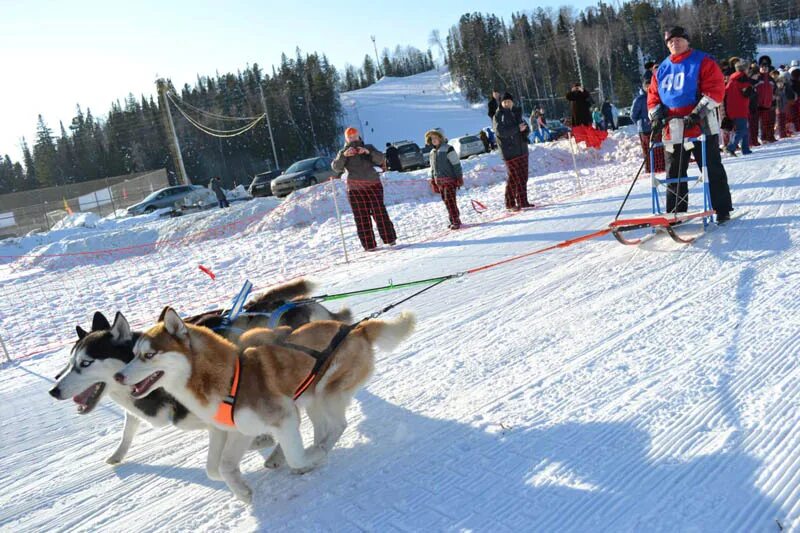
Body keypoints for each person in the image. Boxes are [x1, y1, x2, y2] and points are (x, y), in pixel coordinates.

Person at [648, 26, 733, 223]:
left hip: (701, 126)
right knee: (674, 173)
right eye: (670, 41)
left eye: (678, 39)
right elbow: (653, 97)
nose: (674, 43)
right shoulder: (661, 69)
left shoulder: (703, 61)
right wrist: (656, 115)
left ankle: (722, 209)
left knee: (711, 168)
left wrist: (697, 113)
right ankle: (675, 213)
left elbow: (715, 90)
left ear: (687, 41)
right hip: (673, 128)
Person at [331, 127, 397, 251]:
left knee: (379, 212)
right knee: (361, 216)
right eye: (350, 137)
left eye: (355, 136)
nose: (353, 139)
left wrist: (367, 152)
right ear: (346, 139)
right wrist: (344, 156)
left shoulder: (369, 147)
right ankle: (369, 244)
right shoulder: (343, 152)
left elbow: (380, 159)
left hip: (373, 184)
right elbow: (336, 167)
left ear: (358, 136)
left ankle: (390, 239)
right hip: (355, 189)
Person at [492, 92, 532, 211]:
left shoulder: (517, 112)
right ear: (501, 103)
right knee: (513, 177)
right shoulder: (498, 115)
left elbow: (525, 127)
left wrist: (525, 130)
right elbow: (501, 132)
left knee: (523, 176)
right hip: (509, 151)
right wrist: (517, 129)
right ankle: (510, 204)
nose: (507, 103)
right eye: (505, 102)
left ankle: (523, 201)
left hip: (522, 149)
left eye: (509, 101)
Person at [426, 129, 463, 229]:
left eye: (436, 138)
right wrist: (432, 180)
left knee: (450, 200)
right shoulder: (432, 152)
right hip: (440, 182)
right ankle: (453, 219)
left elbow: (456, 164)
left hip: (450, 180)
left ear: (441, 138)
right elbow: (432, 167)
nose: (434, 140)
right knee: (447, 201)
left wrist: (459, 177)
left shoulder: (448, 149)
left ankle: (456, 221)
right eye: (432, 138)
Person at [631, 76, 665, 172]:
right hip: (645, 129)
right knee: (648, 150)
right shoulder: (639, 99)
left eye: (651, 85)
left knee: (658, 148)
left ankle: (660, 167)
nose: (649, 87)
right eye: (647, 86)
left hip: (657, 127)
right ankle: (650, 169)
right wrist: (641, 123)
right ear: (644, 87)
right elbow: (633, 115)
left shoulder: (657, 96)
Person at [724, 60, 753, 156]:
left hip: (732, 107)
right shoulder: (743, 79)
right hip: (740, 107)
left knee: (744, 128)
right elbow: (746, 93)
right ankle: (730, 147)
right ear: (744, 69)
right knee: (742, 129)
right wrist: (752, 90)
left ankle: (745, 148)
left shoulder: (732, 78)